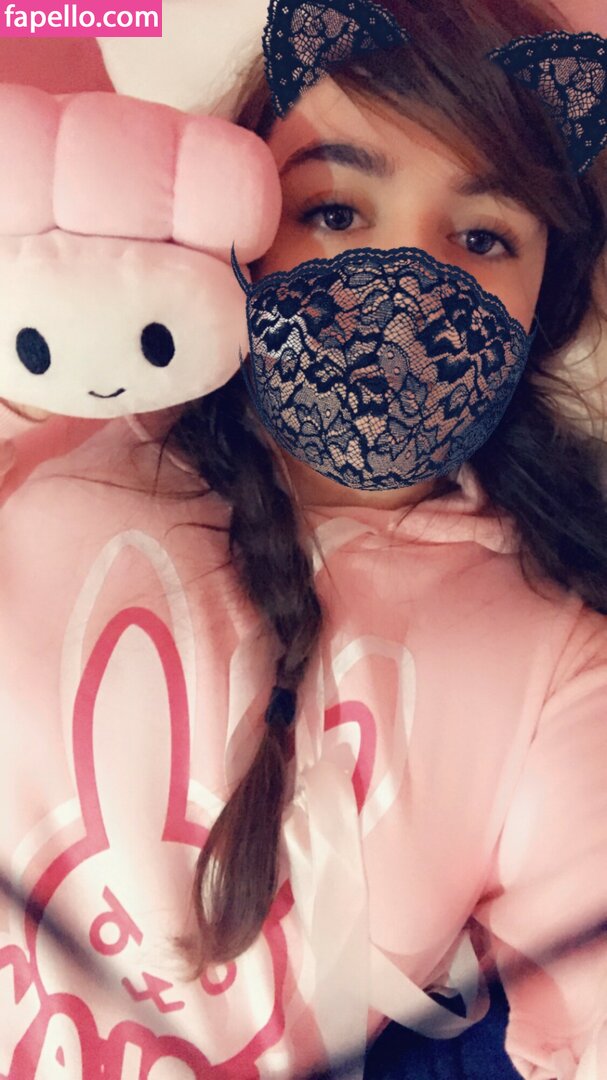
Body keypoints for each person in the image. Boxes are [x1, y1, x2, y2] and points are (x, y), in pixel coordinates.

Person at [0, 1, 606, 1078]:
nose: (399, 278)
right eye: (331, 210)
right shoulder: (52, 454)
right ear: (236, 229)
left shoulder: (557, 658)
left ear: (541, 305)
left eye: (481, 237)